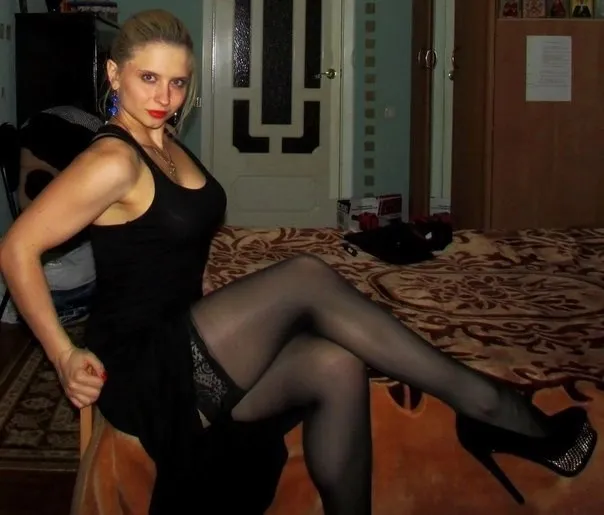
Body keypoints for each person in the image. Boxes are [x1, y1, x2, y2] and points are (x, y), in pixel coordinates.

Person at [0, 9, 597, 515]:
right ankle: (490, 405)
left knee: (335, 365)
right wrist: (63, 353)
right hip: (144, 366)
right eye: (148, 78)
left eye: (178, 83)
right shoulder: (112, 160)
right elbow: (16, 248)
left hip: (183, 334)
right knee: (305, 277)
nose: (164, 98)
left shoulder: (162, 140)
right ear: (114, 74)